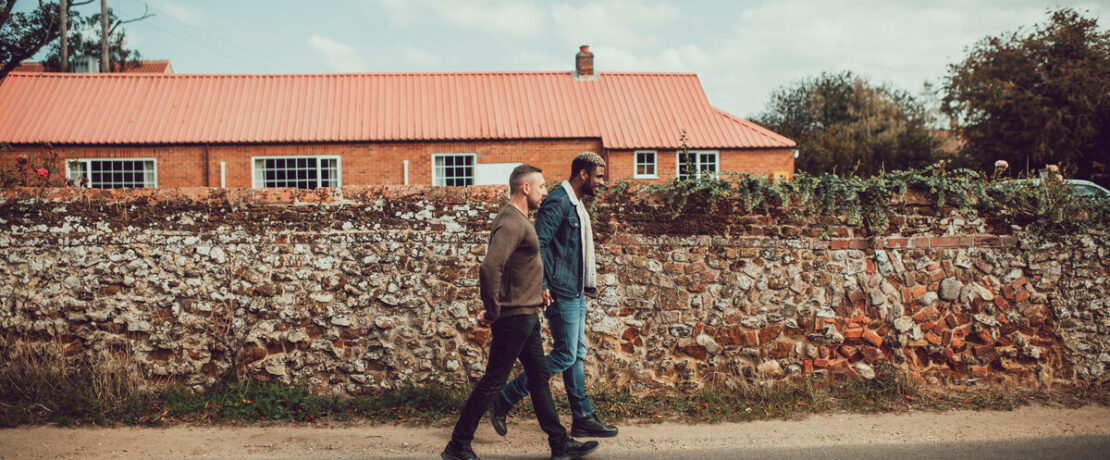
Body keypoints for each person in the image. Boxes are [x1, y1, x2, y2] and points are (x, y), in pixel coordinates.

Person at [441, 164, 599, 460]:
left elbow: (517, 266)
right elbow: (490, 267)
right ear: (525, 188)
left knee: (538, 378)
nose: (545, 191)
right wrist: (492, 310)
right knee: (493, 380)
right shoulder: (512, 222)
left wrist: (537, 291)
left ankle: (559, 443)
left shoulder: (518, 219)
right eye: (540, 186)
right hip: (513, 318)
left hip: (526, 313)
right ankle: (458, 445)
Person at [489, 152, 619, 439]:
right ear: (582, 174)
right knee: (564, 354)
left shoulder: (577, 205)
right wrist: (543, 284)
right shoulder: (559, 202)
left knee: (576, 355)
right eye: (598, 176)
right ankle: (504, 398)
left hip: (576, 290)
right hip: (560, 292)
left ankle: (582, 417)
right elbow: (540, 245)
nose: (602, 182)